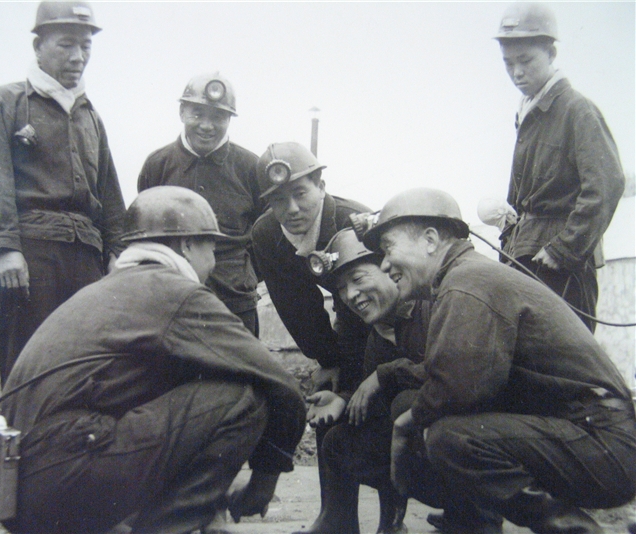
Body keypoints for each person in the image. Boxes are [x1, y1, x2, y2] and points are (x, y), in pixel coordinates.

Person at [0, 186, 306, 534]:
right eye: (212, 249)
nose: (213, 263)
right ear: (187, 245)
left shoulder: (104, 289)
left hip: (17, 492)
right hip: (63, 469)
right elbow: (281, 384)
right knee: (244, 399)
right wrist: (265, 479)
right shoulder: (175, 292)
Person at [357, 187, 636, 534]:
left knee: (450, 439)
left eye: (388, 248)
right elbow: (451, 372)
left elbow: (456, 388)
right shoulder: (468, 275)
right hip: (596, 437)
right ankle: (471, 526)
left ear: (430, 240)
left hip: (606, 446)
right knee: (418, 410)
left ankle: (577, 531)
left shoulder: (467, 282)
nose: (385, 264)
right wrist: (390, 377)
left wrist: (402, 429)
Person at [0, 1, 126, 385]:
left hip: (87, 260)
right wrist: (7, 248)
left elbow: (110, 194)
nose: (78, 57)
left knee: (85, 366)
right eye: (66, 44)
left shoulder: (91, 117)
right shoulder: (8, 102)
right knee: (27, 365)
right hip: (32, 256)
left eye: (86, 46)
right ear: (38, 46)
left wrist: (116, 254)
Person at [250, 143, 372, 533]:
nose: (292, 209)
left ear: (321, 185)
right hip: (343, 323)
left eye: (300, 193)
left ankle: (393, 518)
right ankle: (337, 516)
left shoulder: (356, 221)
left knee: (374, 396)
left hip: (383, 324)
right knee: (327, 392)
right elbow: (297, 307)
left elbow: (377, 303)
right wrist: (329, 361)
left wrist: (360, 371)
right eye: (278, 200)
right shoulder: (266, 233)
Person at [495, 2, 625, 332]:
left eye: (526, 60)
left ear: (551, 53)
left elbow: (606, 184)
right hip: (528, 256)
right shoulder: (528, 112)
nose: (516, 72)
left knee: (566, 353)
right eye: (508, 63)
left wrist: (565, 249)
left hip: (560, 264)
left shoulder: (576, 110)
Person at [300, 228, 430, 534]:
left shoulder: (432, 307)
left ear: (389, 268)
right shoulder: (378, 334)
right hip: (425, 437)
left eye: (358, 279)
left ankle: (472, 516)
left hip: (467, 435)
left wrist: (386, 374)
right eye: (342, 289)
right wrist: (343, 400)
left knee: (405, 404)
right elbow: (376, 399)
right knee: (339, 440)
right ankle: (390, 524)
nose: (351, 295)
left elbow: (454, 375)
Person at [138, 73, 263, 335]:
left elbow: (266, 232)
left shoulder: (251, 168)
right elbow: (144, 234)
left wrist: (245, 276)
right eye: (197, 114)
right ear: (182, 112)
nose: (207, 126)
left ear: (229, 120)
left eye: (218, 117)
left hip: (236, 303)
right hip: (173, 303)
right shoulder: (157, 165)